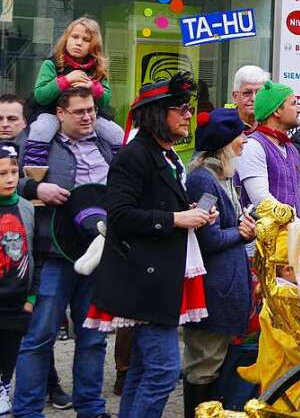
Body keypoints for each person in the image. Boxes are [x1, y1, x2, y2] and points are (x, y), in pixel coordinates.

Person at [87, 73, 217, 418]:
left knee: (145, 370)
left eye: (187, 108)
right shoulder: (134, 156)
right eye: (179, 109)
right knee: (161, 372)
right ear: (157, 114)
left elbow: (156, 206)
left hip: (157, 279)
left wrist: (193, 214)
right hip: (142, 280)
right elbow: (120, 216)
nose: (188, 115)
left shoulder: (166, 155)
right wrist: (176, 219)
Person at [13, 86, 115, 418]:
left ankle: (91, 409)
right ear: (60, 114)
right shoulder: (38, 145)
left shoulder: (105, 145)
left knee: (93, 339)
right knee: (39, 336)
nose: (87, 117)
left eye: (91, 110)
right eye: (79, 111)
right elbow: (6, 178)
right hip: (53, 253)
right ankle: (27, 411)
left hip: (100, 255)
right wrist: (35, 187)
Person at [1, 95, 75, 411]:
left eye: (12, 119)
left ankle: (45, 385)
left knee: (31, 331)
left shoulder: (34, 149)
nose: (5, 125)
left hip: (31, 257)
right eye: (0, 119)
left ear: (25, 123)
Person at [182, 108, 257, 418]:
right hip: (212, 291)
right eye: (240, 135)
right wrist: (240, 234)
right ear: (226, 142)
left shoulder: (221, 175)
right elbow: (208, 238)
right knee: (204, 366)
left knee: (215, 364)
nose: (244, 141)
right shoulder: (203, 180)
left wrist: (242, 225)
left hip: (224, 290)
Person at [20, 18, 122, 168]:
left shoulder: (97, 68)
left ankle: (120, 169)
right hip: (52, 111)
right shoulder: (52, 64)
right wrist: (65, 80)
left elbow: (106, 100)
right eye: (75, 37)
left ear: (93, 46)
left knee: (116, 133)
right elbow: (40, 95)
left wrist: (93, 87)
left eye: (86, 40)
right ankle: (34, 171)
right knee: (41, 129)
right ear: (66, 38)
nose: (79, 43)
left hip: (87, 114)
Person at [235, 81, 300, 221]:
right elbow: (262, 201)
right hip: (261, 241)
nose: (299, 109)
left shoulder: (291, 149)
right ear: (276, 110)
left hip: (291, 237)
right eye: (293, 104)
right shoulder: (253, 146)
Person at [0, 143, 34, 417]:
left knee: (9, 354)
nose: (10, 179)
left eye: (13, 172)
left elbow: (33, 253)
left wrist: (31, 297)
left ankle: (4, 387)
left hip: (17, 299)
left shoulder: (25, 207)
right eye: (2, 174)